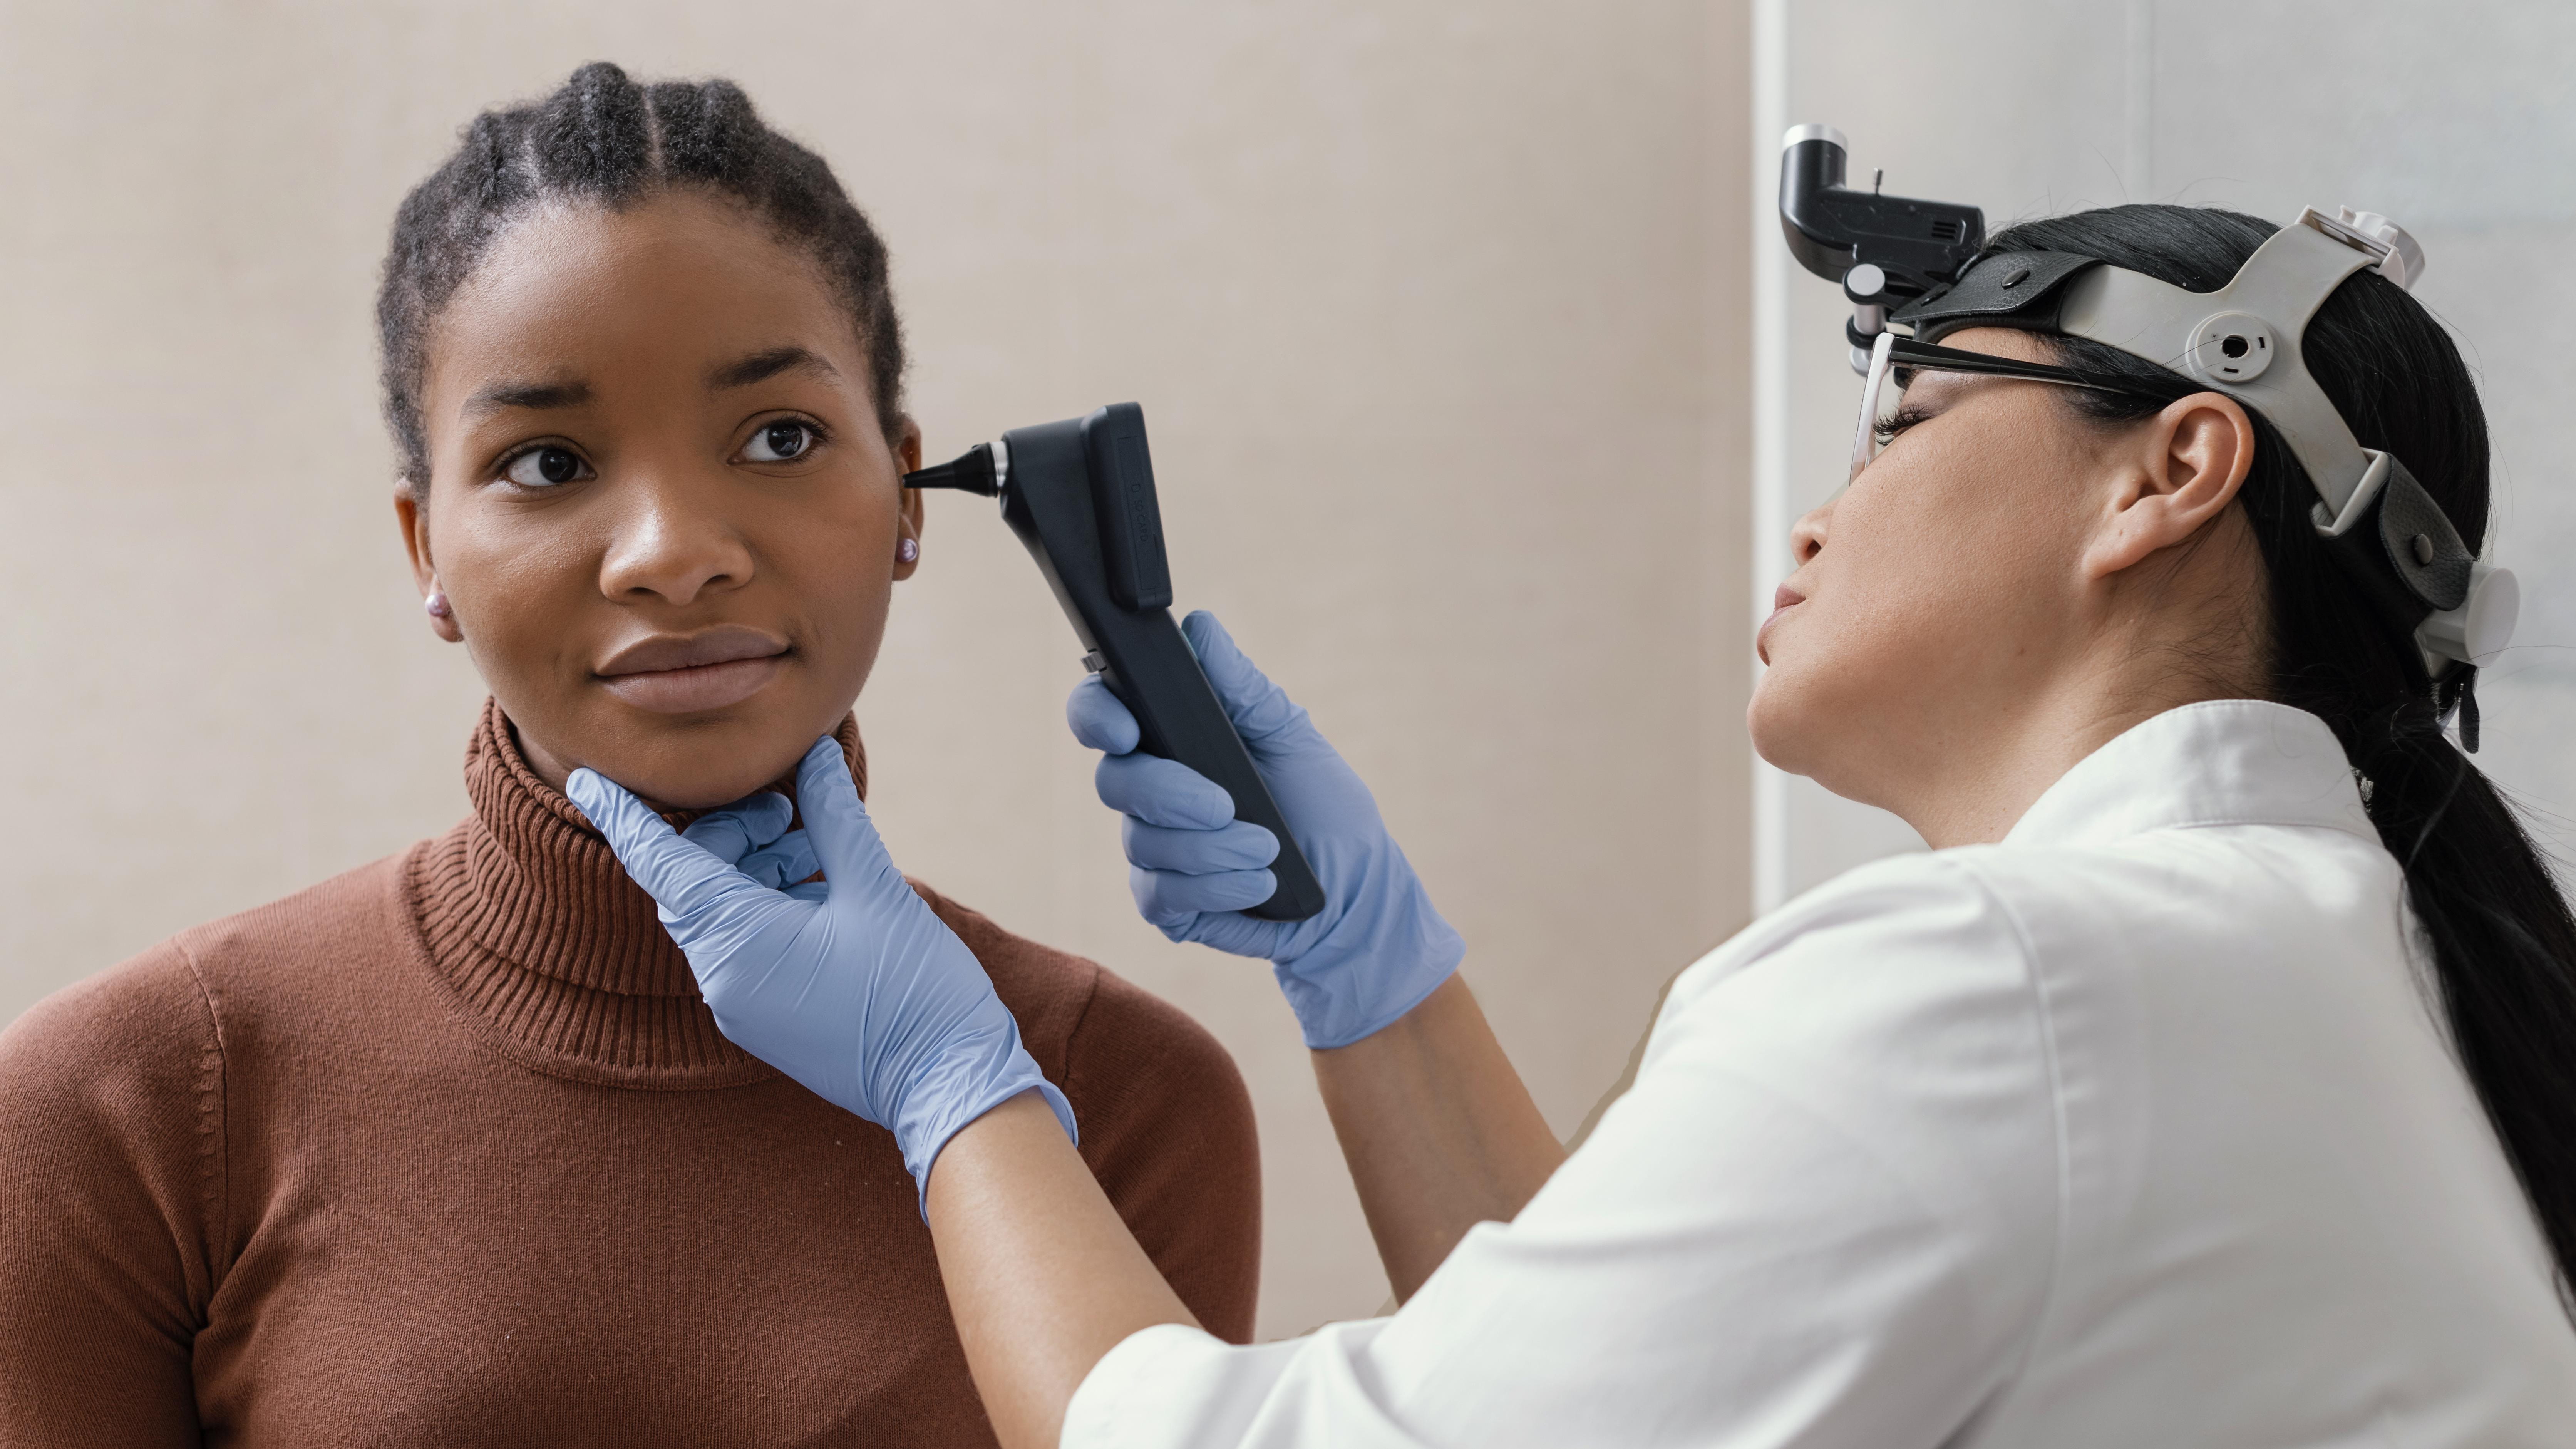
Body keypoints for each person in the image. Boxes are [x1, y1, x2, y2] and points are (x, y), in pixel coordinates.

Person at [580, 200, 2576, 1448]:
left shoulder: (2011, 989)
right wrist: (1377, 986)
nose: (1819, 509)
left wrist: (946, 1072)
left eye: (1902, 420)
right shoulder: (2320, 970)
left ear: (2171, 470)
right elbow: (1644, 1377)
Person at [0, 63, 1260, 1445]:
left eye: (779, 437)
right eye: (547, 462)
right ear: (427, 549)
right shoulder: (117, 1108)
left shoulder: (1126, 1098)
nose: (674, 552)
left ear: (907, 497)